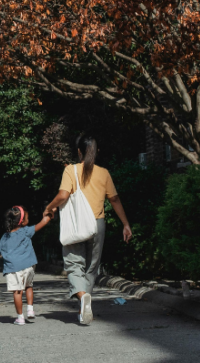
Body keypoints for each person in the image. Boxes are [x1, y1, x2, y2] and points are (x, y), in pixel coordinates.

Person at [44, 134, 132, 325]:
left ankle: (83, 298)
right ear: (96, 152)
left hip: (77, 223)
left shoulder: (70, 170)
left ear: (79, 152)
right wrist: (125, 224)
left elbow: (63, 195)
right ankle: (84, 309)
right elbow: (114, 200)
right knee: (91, 268)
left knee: (75, 265)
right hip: (97, 224)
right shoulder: (104, 173)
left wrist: (49, 207)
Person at [0, 205, 54, 325]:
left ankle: (20, 318)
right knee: (29, 286)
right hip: (28, 265)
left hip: (13, 268)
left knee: (17, 292)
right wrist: (50, 213)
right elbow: (43, 222)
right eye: (27, 217)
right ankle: (30, 310)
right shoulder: (25, 231)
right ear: (22, 221)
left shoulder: (5, 236)